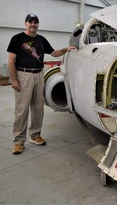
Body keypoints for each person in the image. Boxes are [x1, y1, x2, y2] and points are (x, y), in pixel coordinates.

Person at [7, 13, 75, 154]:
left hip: (39, 75)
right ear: (26, 23)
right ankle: (19, 141)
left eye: (35, 23)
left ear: (38, 24)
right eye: (30, 22)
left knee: (38, 108)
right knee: (22, 109)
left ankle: (35, 135)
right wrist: (14, 79)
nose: (33, 25)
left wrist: (65, 49)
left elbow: (54, 53)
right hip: (23, 75)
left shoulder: (41, 40)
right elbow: (10, 60)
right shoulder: (17, 39)